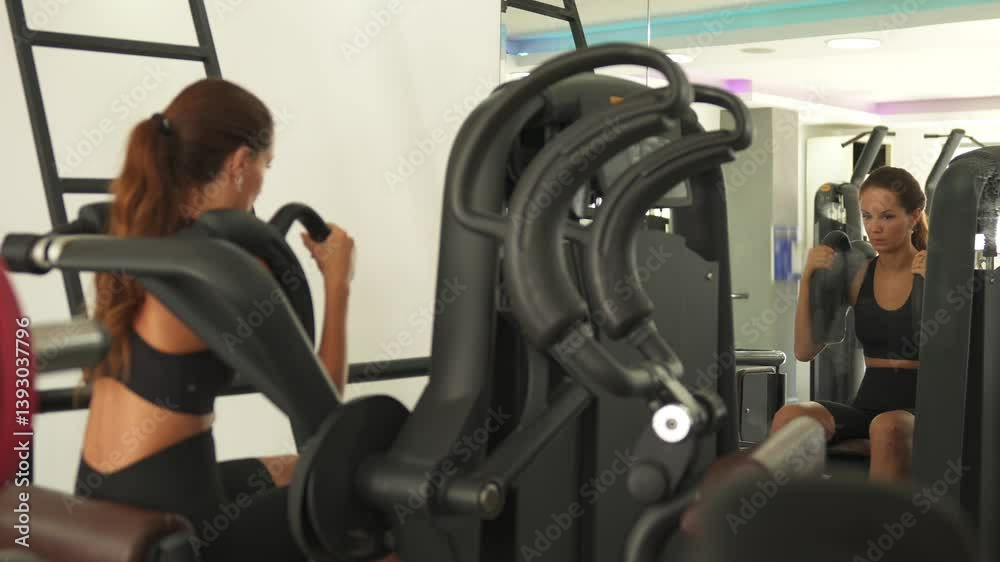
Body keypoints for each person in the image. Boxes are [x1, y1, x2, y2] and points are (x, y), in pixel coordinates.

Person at [73, 78, 360, 561]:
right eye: (266, 166)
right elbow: (321, 409)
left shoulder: (138, 237)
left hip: (104, 497)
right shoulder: (215, 268)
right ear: (240, 163)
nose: (263, 182)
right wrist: (338, 284)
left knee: (293, 469)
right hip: (179, 532)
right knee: (366, 503)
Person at [774, 166, 928, 482]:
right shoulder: (859, 275)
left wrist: (937, 285)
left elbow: (962, 352)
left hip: (924, 409)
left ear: (914, 217)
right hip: (868, 408)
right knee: (791, 417)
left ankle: (875, 516)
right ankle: (797, 512)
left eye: (887, 216)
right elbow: (804, 350)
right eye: (867, 217)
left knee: (887, 427)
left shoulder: (937, 269)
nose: (875, 228)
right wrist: (808, 279)